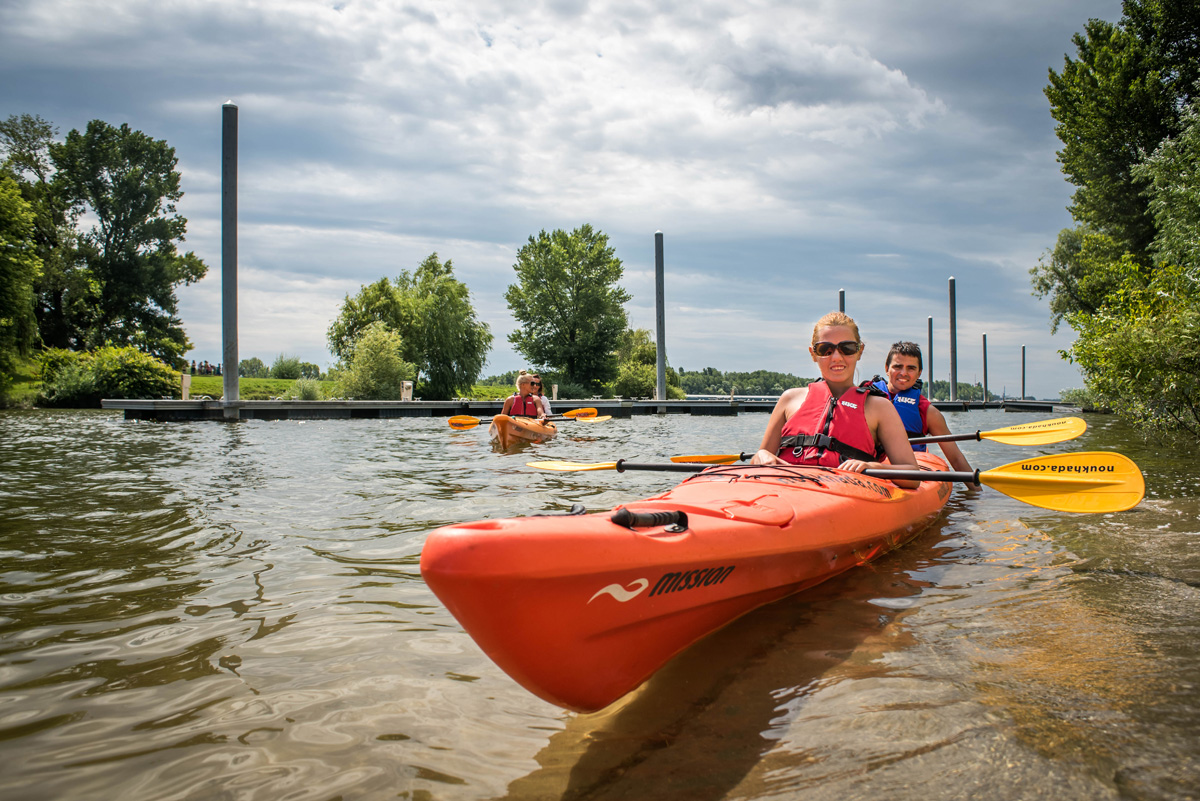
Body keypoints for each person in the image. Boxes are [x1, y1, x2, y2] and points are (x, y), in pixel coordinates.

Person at [751, 311, 921, 489]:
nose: (837, 357)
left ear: (859, 351)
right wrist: (761, 455)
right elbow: (760, 457)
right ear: (813, 353)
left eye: (846, 348)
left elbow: (912, 475)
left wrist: (872, 467)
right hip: (787, 491)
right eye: (826, 349)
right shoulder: (789, 399)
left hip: (845, 495)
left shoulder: (879, 407)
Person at [872, 341, 980, 489]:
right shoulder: (865, 399)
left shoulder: (928, 412)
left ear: (919, 373)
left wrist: (978, 496)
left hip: (907, 471)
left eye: (911, 368)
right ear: (887, 368)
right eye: (898, 366)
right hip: (870, 466)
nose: (903, 373)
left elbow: (955, 458)